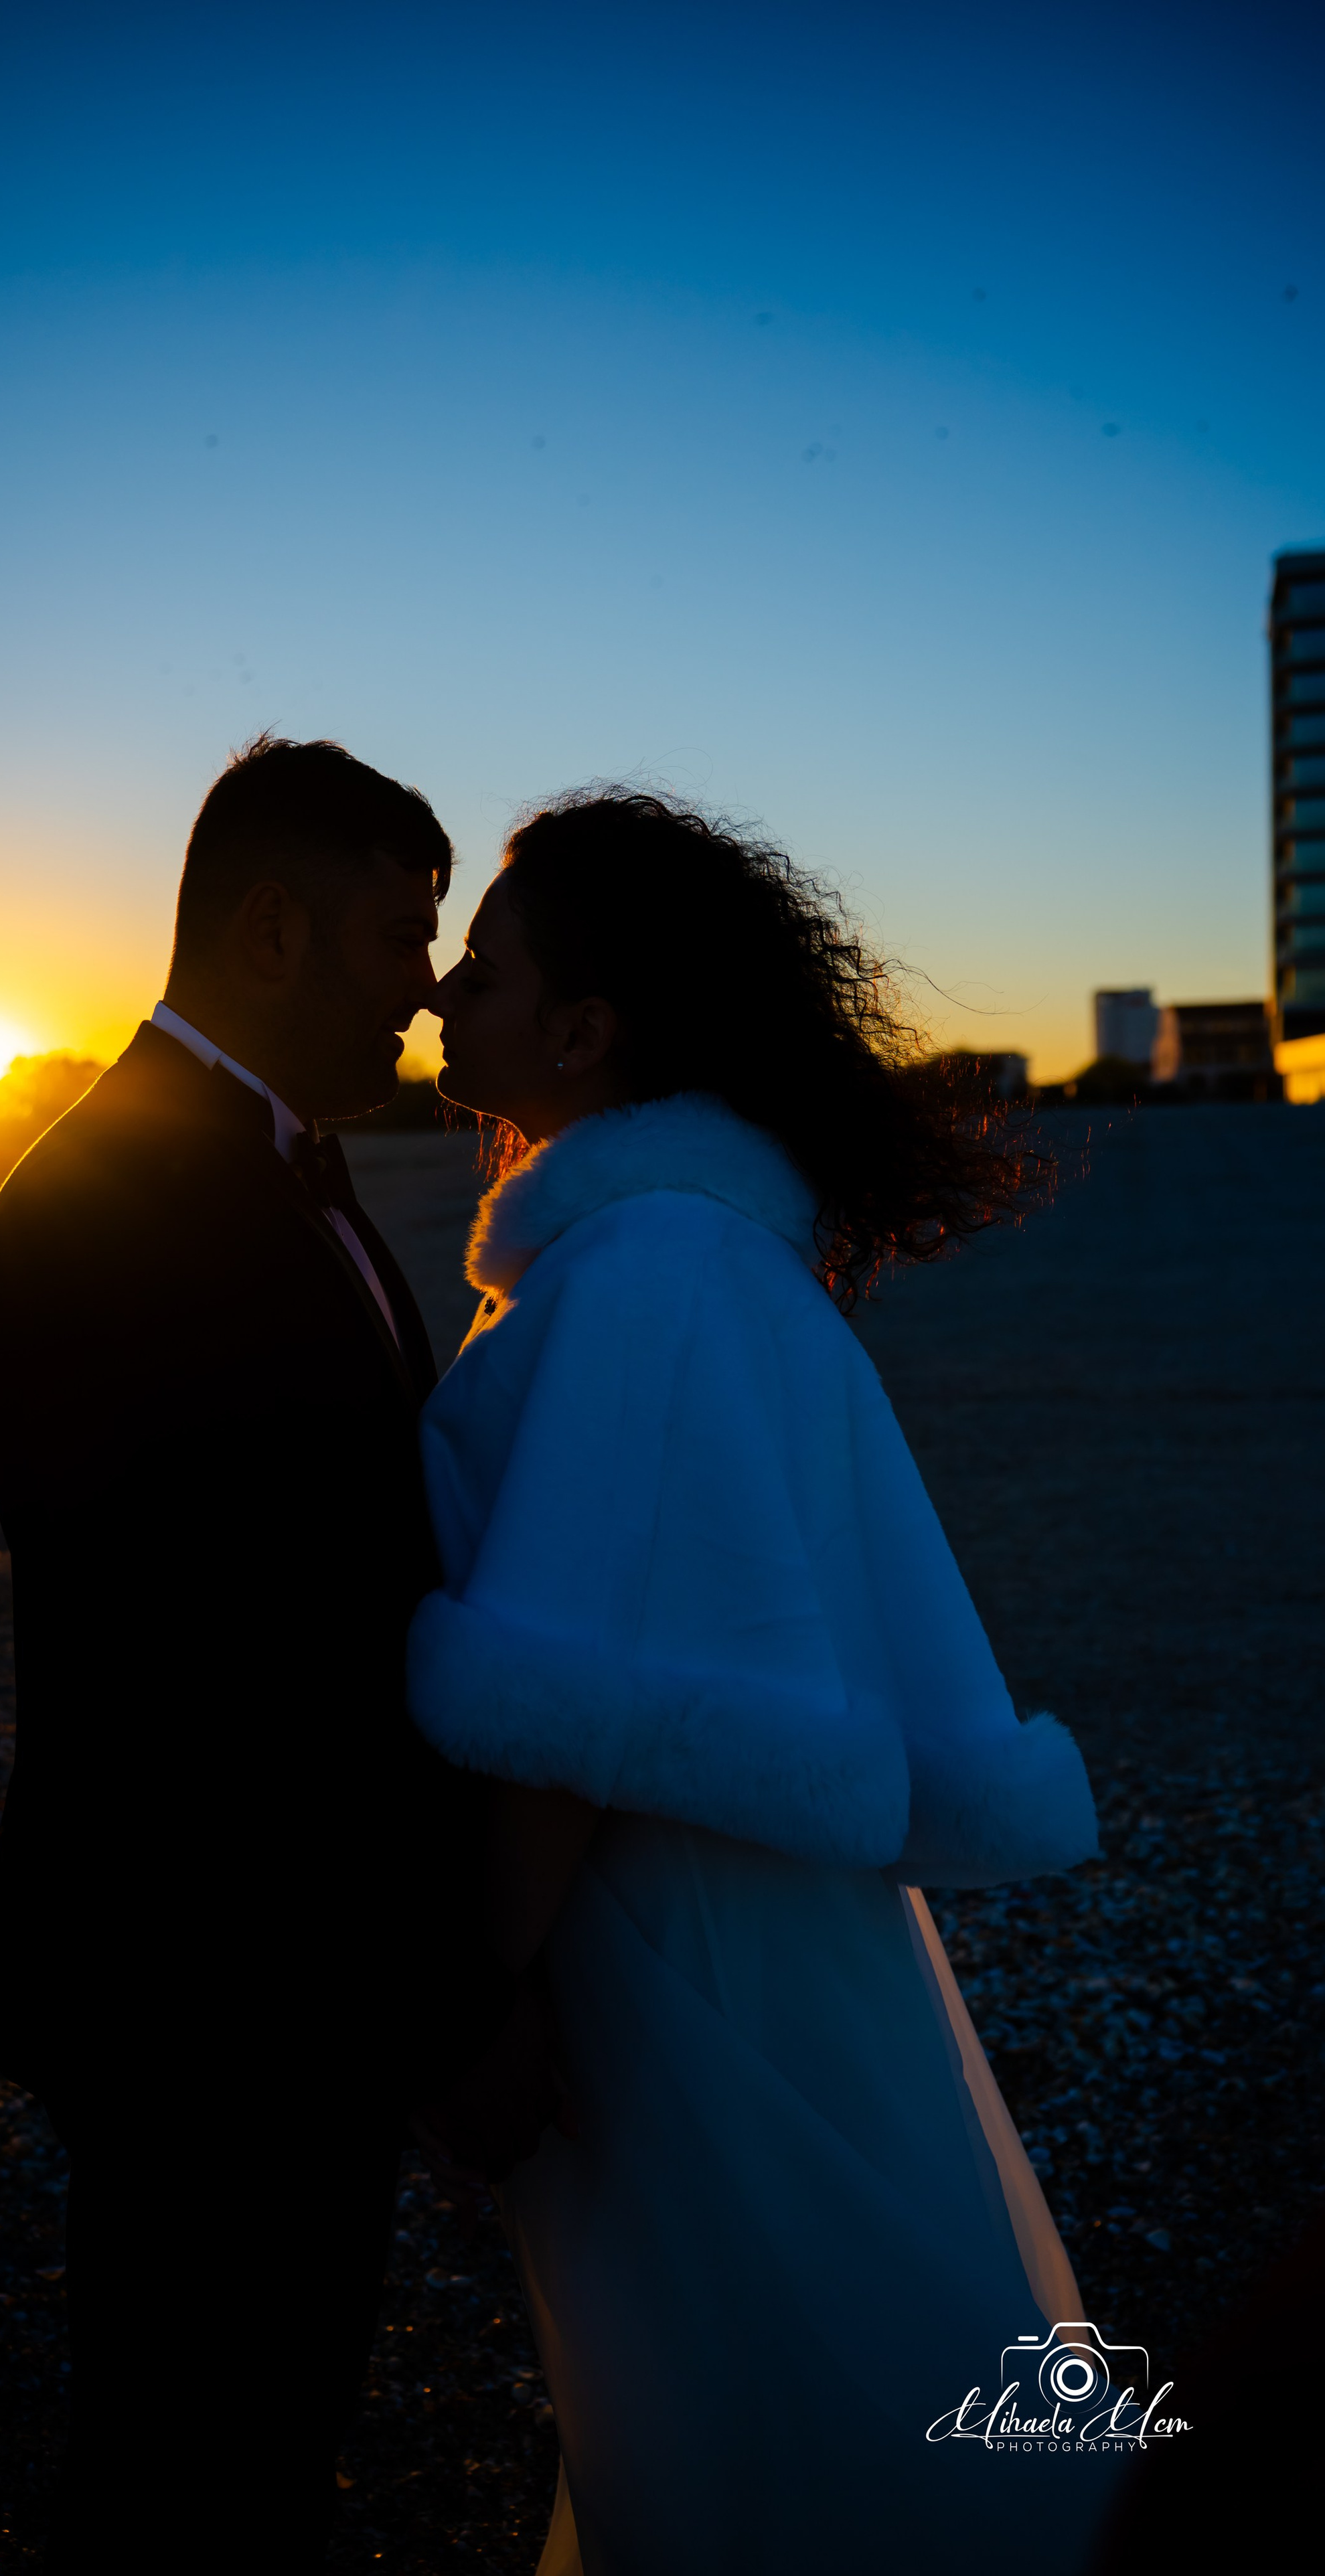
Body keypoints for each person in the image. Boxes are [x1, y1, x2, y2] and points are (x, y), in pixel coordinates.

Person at [407, 790, 1127, 2573]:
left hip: (674, 1957)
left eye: (482, 969)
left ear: (584, 1033)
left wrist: (475, 1998)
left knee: (758, 2419)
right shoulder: (692, 1253)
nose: (437, 989)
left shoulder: (648, 1268)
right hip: (750, 1921)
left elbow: (574, 1703)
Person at [0, 736, 557, 2563]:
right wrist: (435, 2004)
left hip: (271, 1979)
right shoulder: (101, 1213)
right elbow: (224, 1692)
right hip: (203, 1987)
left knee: (259, 2446)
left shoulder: (282, 1171)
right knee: (186, 2471)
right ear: (274, 932)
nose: (433, 986)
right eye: (404, 937)